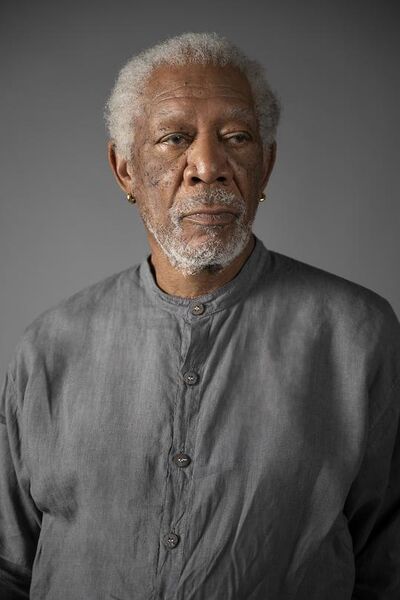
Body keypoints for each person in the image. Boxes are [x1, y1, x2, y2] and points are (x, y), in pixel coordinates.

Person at [0, 31, 399, 600]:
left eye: (237, 137)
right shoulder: (47, 347)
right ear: (124, 170)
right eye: (174, 138)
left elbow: (388, 564)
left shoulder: (359, 336)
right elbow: (10, 567)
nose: (208, 166)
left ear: (266, 164)